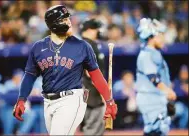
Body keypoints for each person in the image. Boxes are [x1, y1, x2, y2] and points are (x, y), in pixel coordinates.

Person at [12, 5, 117, 135]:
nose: (69, 22)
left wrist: (109, 101)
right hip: (48, 101)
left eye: (68, 18)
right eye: (64, 19)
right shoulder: (38, 47)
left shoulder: (82, 46)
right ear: (53, 24)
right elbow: (29, 75)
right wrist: (21, 99)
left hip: (72, 99)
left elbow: (96, 76)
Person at [135, 18, 177, 136]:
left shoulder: (153, 52)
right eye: (160, 35)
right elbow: (153, 78)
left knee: (159, 129)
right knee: (156, 129)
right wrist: (167, 90)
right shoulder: (147, 54)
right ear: (151, 36)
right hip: (150, 98)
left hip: (155, 97)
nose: (163, 38)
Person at [79, 18, 105, 135]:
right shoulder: (87, 45)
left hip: (87, 92)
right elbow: (90, 71)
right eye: (95, 28)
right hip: (92, 93)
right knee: (93, 129)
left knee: (91, 128)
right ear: (88, 30)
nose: (97, 31)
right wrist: (103, 91)